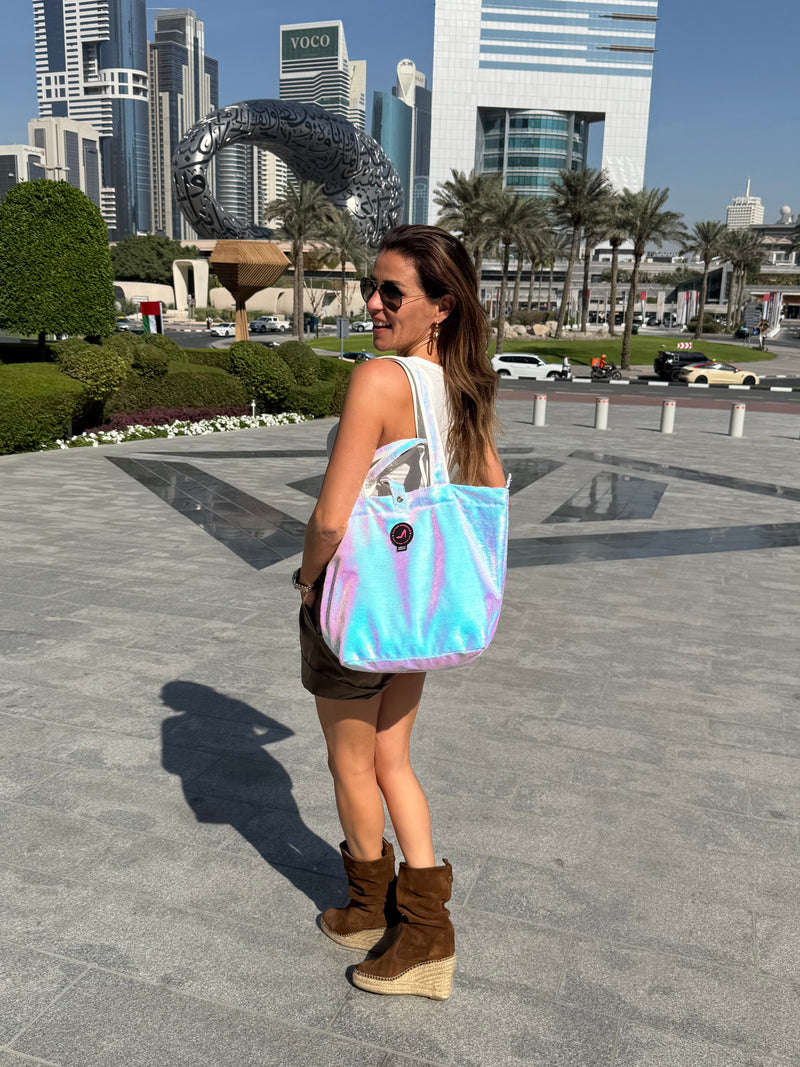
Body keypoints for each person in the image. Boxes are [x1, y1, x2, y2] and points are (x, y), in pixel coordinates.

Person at [294, 224, 505, 1000]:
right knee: (393, 760)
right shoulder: (464, 385)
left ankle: (396, 921)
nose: (374, 304)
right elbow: (490, 489)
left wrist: (309, 583)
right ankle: (406, 914)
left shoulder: (378, 379)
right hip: (420, 610)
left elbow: (328, 518)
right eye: (369, 288)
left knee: (351, 761)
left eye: (393, 292)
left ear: (441, 305)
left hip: (361, 605)